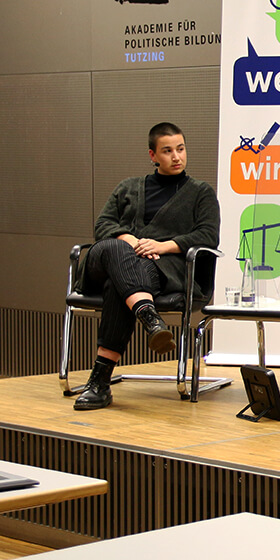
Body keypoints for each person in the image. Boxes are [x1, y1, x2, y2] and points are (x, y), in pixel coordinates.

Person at [74, 122, 221, 411]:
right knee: (116, 249)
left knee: (118, 284)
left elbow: (208, 234)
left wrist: (162, 246)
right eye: (167, 151)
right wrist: (129, 240)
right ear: (153, 155)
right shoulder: (127, 187)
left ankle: (99, 381)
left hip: (159, 269)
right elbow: (103, 225)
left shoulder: (200, 192)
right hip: (106, 260)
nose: (176, 157)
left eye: (181, 149)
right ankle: (149, 317)